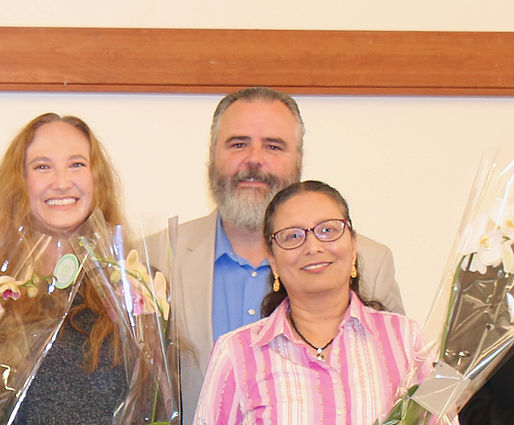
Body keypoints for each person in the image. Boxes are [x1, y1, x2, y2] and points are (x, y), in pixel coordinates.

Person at [175, 87, 405, 424]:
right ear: (212, 155)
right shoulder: (157, 257)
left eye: (273, 146)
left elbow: (399, 394)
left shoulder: (369, 260)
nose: (254, 159)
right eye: (238, 144)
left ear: (298, 159)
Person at [194, 180, 438, 424]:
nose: (313, 246)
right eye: (292, 236)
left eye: (328, 230)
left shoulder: (407, 341)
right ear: (273, 260)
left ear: (353, 244)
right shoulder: (236, 353)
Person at [0, 113, 128, 424]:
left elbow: (153, 403)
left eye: (77, 164)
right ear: (19, 183)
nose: (62, 182)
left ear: (97, 179)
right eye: (43, 166)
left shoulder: (133, 288)